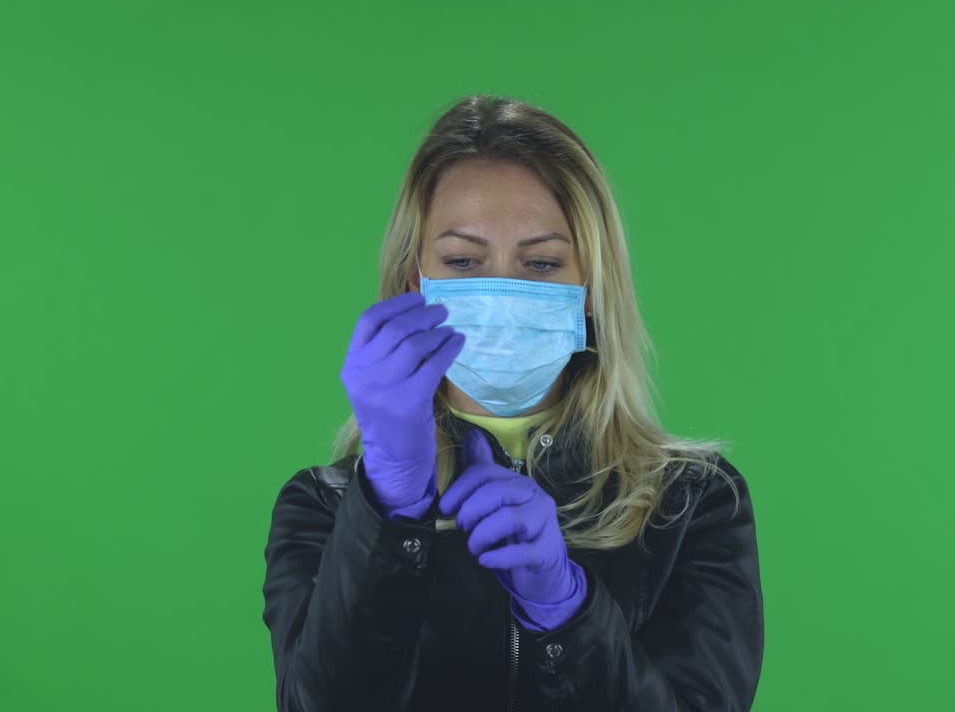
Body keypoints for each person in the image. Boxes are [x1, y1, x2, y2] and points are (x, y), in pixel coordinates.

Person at [261, 94, 764, 711]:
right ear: (416, 282)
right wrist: (390, 511)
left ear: (589, 287)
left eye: (542, 263)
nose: (501, 291)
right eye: (464, 260)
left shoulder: (691, 504)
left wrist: (566, 609)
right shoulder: (325, 509)